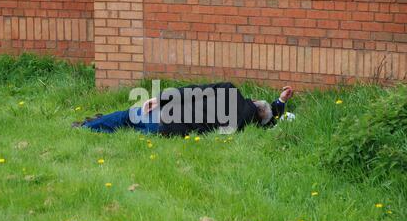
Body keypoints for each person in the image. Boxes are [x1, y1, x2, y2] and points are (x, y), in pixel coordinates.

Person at [76, 82, 294, 136]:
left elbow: (191, 91)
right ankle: (95, 124)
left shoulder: (230, 90)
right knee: (131, 126)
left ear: (254, 100)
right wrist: (280, 103)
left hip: (165, 112)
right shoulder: (241, 127)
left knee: (127, 116)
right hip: (167, 130)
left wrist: (160, 98)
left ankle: (88, 126)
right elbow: (267, 121)